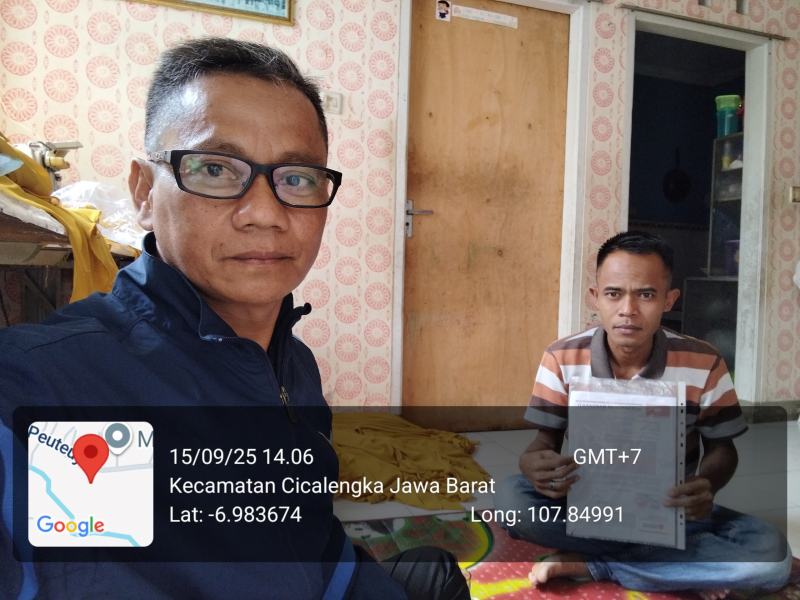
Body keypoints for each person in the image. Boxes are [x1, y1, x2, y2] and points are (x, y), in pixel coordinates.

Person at [0, 39, 469, 600]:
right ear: (144, 191)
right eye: (216, 169)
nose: (265, 214)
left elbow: (309, 538)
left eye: (296, 178)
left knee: (435, 568)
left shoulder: (294, 365)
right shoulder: (46, 388)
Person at [494, 231, 792, 600]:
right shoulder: (562, 358)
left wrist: (707, 484)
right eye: (613, 294)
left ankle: (596, 563)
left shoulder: (703, 362)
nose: (628, 310)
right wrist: (532, 465)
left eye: (646, 295)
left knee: (771, 558)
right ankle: (670, 565)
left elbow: (722, 449)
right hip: (589, 507)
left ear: (669, 299)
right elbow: (544, 442)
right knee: (511, 500)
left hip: (669, 511)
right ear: (595, 297)